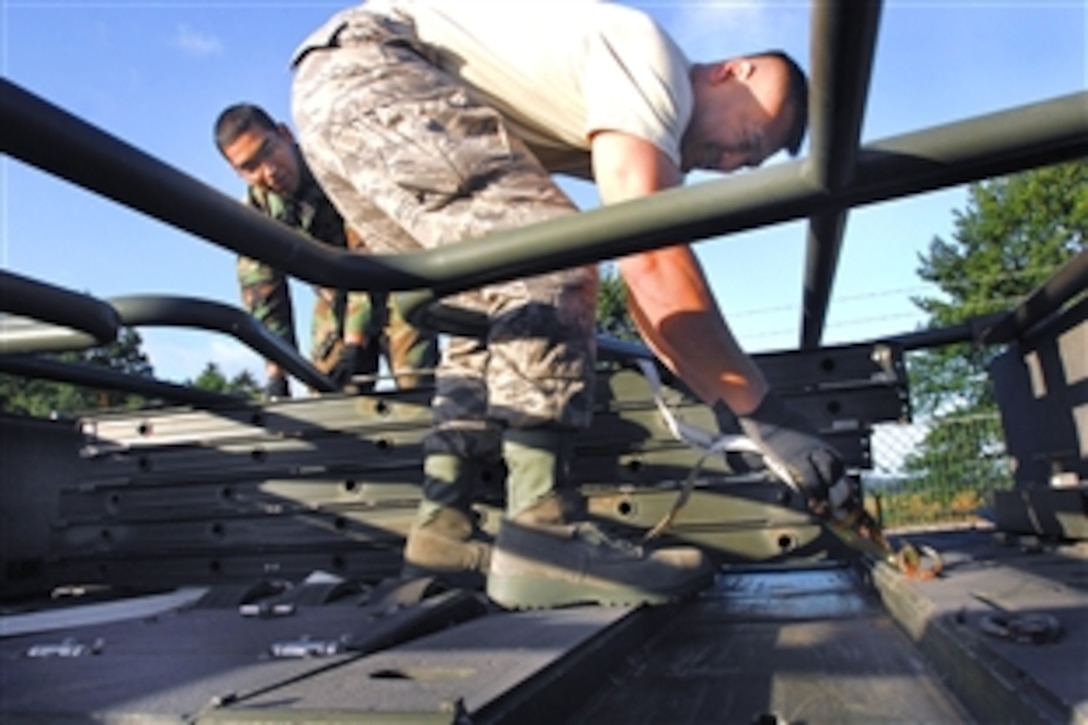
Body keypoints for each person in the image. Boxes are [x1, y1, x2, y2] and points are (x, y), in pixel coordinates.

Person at [288, 1, 852, 609]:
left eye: (750, 162)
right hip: (378, 72)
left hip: (339, 90)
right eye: (747, 138)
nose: (733, 163)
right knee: (558, 256)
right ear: (732, 72)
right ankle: (544, 531)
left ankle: (442, 530)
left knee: (490, 303)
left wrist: (730, 410)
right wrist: (765, 414)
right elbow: (649, 259)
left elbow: (649, 299)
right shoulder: (652, 62)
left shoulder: (634, 103)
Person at [214, 103, 439, 398]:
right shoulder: (258, 210)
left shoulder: (334, 165)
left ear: (285, 134)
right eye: (250, 166)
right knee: (326, 392)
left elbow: (365, 249)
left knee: (416, 381)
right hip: (336, 294)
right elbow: (263, 293)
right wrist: (277, 374)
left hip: (392, 274)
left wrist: (355, 340)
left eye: (268, 150)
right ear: (237, 172)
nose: (268, 171)